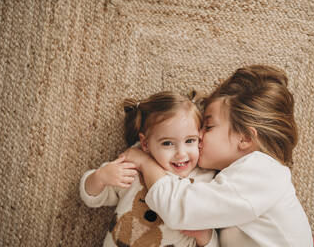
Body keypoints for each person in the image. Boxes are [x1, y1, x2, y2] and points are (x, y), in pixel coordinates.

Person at [121, 65, 314, 247]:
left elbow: (181, 210)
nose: (199, 135)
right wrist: (207, 238)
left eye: (208, 126)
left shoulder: (262, 170)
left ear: (245, 138)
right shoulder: (229, 184)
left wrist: (145, 162)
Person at [79, 91, 219, 247]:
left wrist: (205, 236)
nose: (181, 153)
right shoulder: (133, 168)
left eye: (190, 140)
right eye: (167, 143)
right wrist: (100, 177)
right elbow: (90, 196)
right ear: (145, 144)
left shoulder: (206, 179)